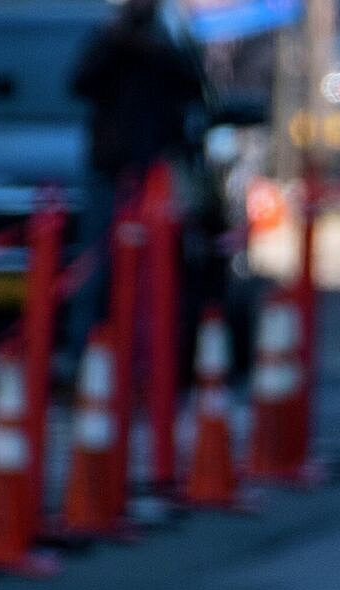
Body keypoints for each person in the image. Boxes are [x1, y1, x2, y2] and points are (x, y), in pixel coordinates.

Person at [64, 0, 205, 367]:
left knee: (160, 274)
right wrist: (116, 43)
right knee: (96, 270)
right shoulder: (108, 38)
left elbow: (194, 86)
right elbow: (80, 82)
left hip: (155, 172)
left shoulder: (169, 39)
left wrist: (156, 50)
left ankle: (157, 363)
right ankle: (87, 361)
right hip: (109, 169)